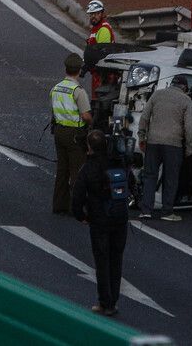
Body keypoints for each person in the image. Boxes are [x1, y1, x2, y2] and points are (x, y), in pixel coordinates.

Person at [71, 129, 134, 317]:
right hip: (120, 218)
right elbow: (131, 182)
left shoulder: (89, 168)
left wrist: (81, 216)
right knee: (116, 259)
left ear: (89, 148)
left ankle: (105, 302)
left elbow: (78, 197)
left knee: (102, 260)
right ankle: (114, 300)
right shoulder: (118, 163)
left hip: (99, 219)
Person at [137, 74, 192, 221]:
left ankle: (145, 210)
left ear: (171, 84)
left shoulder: (157, 94)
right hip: (173, 145)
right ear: (185, 87)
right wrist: (189, 147)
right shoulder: (186, 100)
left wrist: (142, 137)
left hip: (153, 142)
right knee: (171, 178)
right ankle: (167, 212)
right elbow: (189, 127)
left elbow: (144, 116)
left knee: (150, 176)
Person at [51, 53, 93, 213]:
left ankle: (59, 205)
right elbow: (85, 115)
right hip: (75, 134)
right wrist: (93, 123)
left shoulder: (56, 88)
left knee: (62, 170)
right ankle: (75, 208)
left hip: (59, 132)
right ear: (79, 70)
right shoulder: (78, 91)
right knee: (77, 171)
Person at [85, 0, 115, 92]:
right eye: (91, 14)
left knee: (99, 101)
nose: (93, 16)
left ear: (101, 14)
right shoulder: (97, 28)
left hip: (103, 74)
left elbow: (102, 53)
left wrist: (88, 64)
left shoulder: (103, 29)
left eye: (96, 13)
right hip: (98, 72)